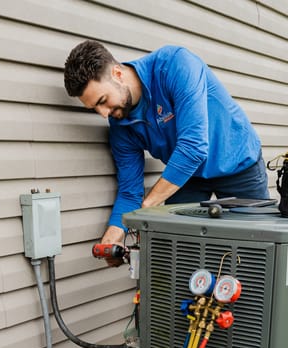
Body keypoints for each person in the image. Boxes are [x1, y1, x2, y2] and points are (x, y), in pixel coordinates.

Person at [64, 40, 269, 264]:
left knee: (254, 253)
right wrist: (112, 237)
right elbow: (130, 193)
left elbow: (193, 148)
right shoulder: (120, 125)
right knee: (179, 257)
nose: (103, 114)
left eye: (103, 101)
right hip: (186, 178)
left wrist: (148, 208)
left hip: (238, 165)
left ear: (117, 73)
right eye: (94, 108)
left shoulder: (175, 65)